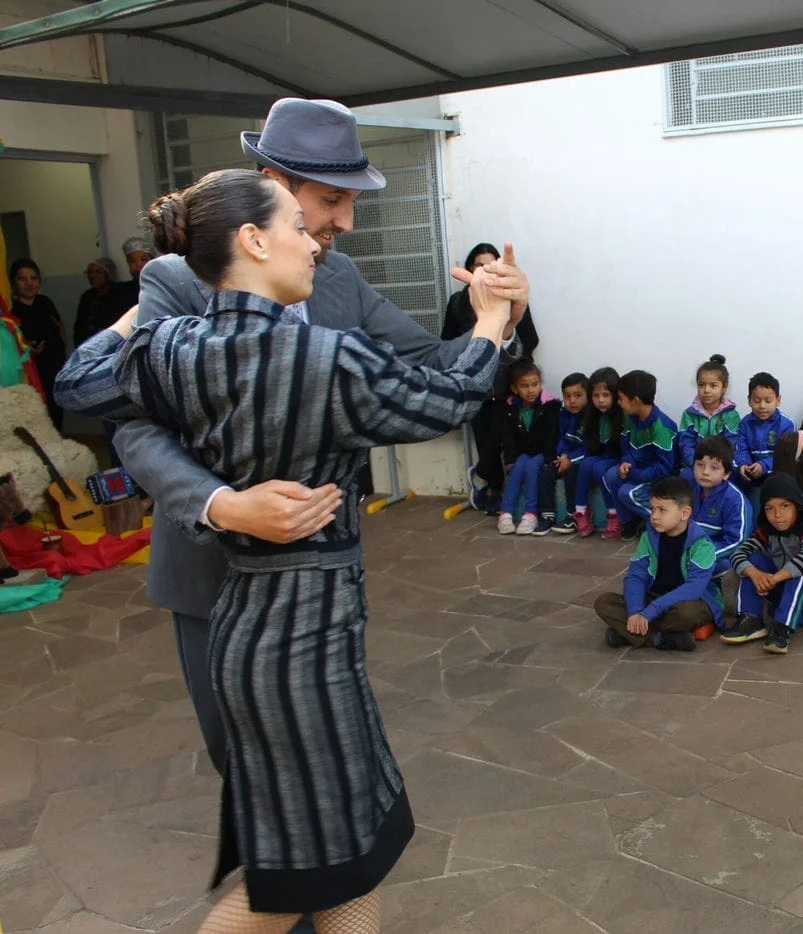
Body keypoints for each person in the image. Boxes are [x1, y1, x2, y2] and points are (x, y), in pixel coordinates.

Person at [54, 167, 520, 931]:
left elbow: (80, 378)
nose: (317, 241)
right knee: (292, 884)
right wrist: (492, 320)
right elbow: (453, 395)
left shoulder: (172, 348)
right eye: (300, 227)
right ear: (253, 239)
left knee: (355, 853)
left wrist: (141, 315)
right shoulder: (327, 359)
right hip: (299, 639)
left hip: (259, 625)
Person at [108, 98, 530, 823]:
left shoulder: (336, 281)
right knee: (251, 777)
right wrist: (222, 504)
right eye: (330, 202)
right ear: (270, 189)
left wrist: (501, 316)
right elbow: (134, 426)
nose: (344, 223)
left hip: (315, 586)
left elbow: (432, 363)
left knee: (322, 783)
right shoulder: (177, 282)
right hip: (213, 575)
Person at [442, 241, 541, 515]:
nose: (485, 270)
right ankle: (492, 489)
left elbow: (529, 339)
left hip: (509, 381)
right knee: (484, 437)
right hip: (473, 381)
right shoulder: (458, 302)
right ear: (469, 268)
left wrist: (505, 339)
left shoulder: (513, 296)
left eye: (491, 264)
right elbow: (447, 344)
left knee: (505, 438)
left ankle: (489, 481)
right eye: (479, 265)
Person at [594, 476, 721, 652]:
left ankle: (628, 633)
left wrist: (650, 612)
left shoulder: (703, 545)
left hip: (688, 601)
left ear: (684, 513)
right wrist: (634, 611)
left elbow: (694, 588)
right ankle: (660, 638)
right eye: (652, 509)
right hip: (654, 596)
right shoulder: (649, 537)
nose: (654, 516)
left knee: (686, 615)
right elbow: (635, 577)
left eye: (662, 510)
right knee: (604, 602)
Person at [722, 472, 803, 654]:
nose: (777, 515)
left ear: (798, 507)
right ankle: (751, 618)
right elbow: (738, 553)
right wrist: (756, 574)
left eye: (785, 506)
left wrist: (775, 578)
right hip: (784, 586)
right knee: (753, 559)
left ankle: (782, 627)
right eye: (770, 508)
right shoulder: (768, 530)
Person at [603, 369, 678, 541]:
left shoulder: (662, 428)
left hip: (660, 479)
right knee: (611, 475)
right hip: (639, 471)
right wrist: (626, 463)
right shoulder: (630, 417)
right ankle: (629, 523)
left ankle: (666, 524)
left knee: (626, 492)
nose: (619, 403)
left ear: (636, 401)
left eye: (621, 399)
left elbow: (664, 469)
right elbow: (626, 446)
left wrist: (636, 474)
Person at [689, 435, 753, 634]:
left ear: (726, 473)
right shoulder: (689, 491)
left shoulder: (734, 500)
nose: (705, 472)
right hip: (691, 554)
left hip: (722, 559)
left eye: (714, 467)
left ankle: (716, 614)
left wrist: (703, 556)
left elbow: (737, 542)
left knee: (705, 571)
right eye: (700, 465)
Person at [497, 359, 560, 535]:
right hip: (524, 454)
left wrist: (548, 459)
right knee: (518, 467)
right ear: (515, 388)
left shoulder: (550, 406)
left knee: (532, 467)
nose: (531, 390)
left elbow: (552, 436)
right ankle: (505, 513)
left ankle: (531, 513)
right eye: (524, 386)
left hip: (543, 454)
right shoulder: (511, 408)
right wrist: (510, 459)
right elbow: (508, 437)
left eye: (535, 384)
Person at [7, 258, 66, 429]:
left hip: (52, 365)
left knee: (55, 411)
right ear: (14, 282)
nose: (29, 283)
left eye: (33, 278)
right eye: (22, 279)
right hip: (28, 369)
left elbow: (59, 327)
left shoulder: (44, 302)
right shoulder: (11, 309)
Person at [572, 366, 622, 537]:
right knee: (586, 464)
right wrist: (570, 459)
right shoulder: (591, 416)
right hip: (599, 456)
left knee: (599, 468)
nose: (601, 400)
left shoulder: (622, 415)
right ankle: (581, 512)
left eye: (606, 395)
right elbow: (587, 446)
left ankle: (615, 515)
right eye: (596, 395)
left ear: (615, 395)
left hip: (617, 458)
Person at [677, 354, 740, 473]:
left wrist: (715, 467)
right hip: (694, 465)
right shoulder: (689, 414)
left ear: (724, 387)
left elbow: (731, 445)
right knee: (685, 478)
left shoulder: (731, 415)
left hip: (720, 467)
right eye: (701, 385)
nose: (706, 390)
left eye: (713, 385)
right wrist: (697, 465)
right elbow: (686, 444)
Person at [733, 372, 796, 490]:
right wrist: (743, 465)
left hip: (775, 472)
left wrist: (764, 466)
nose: (762, 406)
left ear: (778, 400)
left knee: (784, 480)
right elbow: (741, 449)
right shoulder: (744, 424)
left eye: (768, 401)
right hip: (751, 471)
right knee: (732, 477)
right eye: (757, 401)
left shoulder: (787, 424)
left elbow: (785, 456)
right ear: (749, 400)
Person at [552, 371, 589, 535]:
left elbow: (590, 447)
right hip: (568, 456)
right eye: (567, 396)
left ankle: (572, 515)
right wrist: (563, 455)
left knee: (572, 472)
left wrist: (571, 460)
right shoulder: (563, 415)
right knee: (546, 469)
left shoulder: (590, 417)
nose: (572, 401)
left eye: (578, 395)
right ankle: (545, 514)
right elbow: (561, 439)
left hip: (585, 458)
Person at [72, 256, 134, 348]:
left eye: (98, 272)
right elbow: (79, 326)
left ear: (108, 274)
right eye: (90, 272)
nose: (93, 276)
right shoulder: (87, 297)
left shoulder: (121, 294)